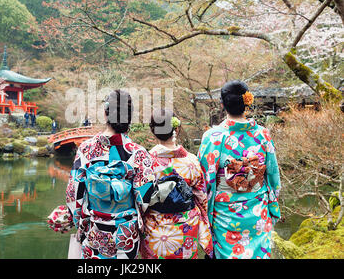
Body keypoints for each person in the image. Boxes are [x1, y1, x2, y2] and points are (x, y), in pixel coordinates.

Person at [64, 89, 156, 259]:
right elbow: (146, 196)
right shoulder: (138, 153)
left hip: (95, 228)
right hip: (126, 232)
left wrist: (81, 223)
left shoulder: (86, 149)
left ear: (106, 114)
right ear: (129, 118)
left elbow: (73, 194)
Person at [198, 80, 281, 259]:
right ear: (247, 103)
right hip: (257, 210)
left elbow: (204, 182)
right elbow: (273, 175)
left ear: (222, 105)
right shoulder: (262, 134)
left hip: (225, 214)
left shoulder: (212, 137)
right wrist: (272, 199)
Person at [140, 109, 213, 259]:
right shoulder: (192, 161)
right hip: (186, 226)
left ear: (153, 132)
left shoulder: (146, 162)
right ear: (177, 129)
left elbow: (140, 199)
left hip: (155, 228)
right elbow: (202, 197)